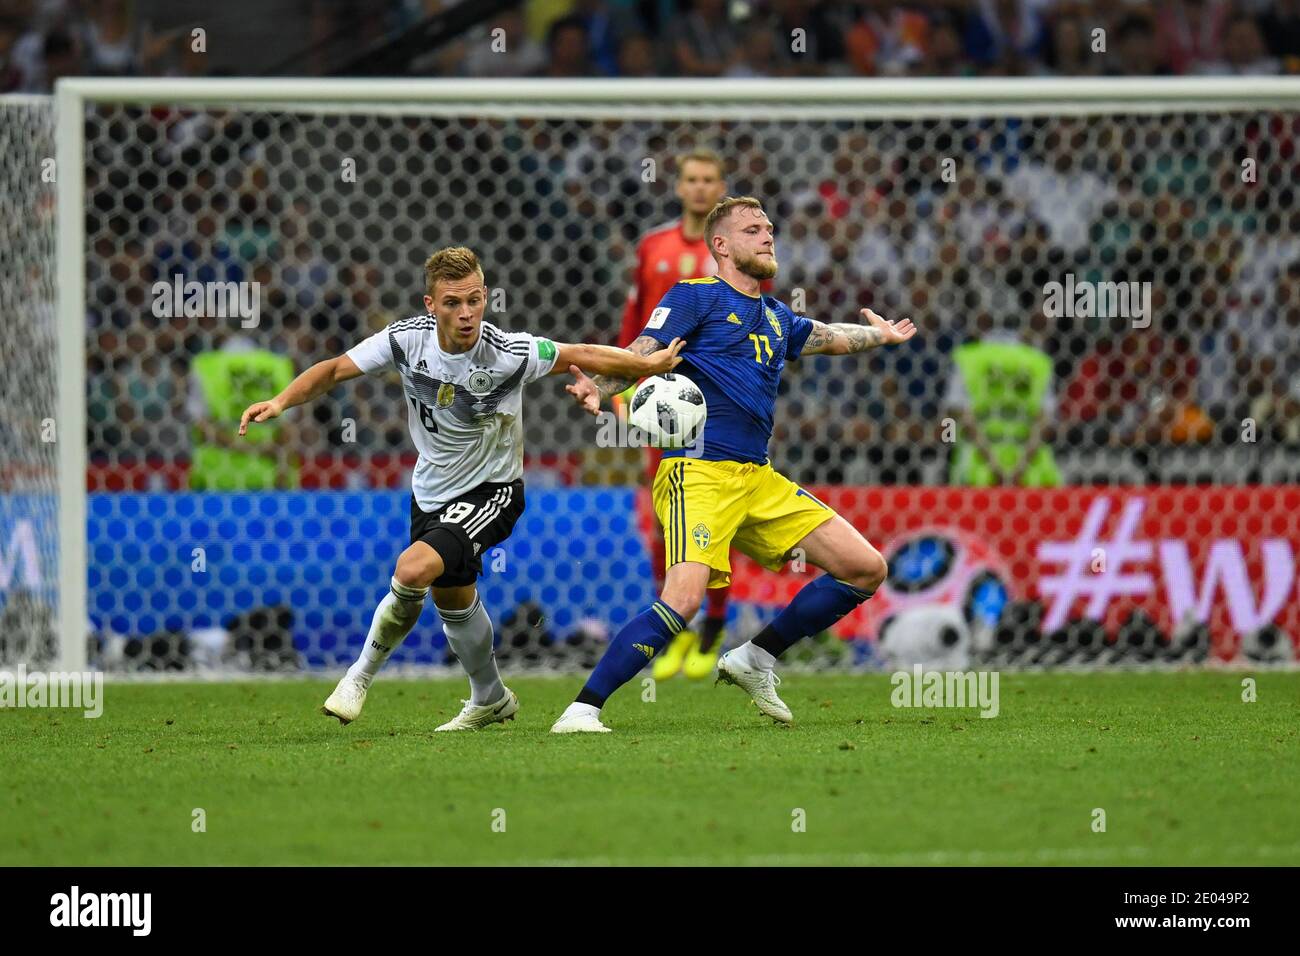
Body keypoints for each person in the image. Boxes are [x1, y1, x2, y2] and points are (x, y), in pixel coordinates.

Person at [238, 247, 682, 730]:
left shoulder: (510, 353)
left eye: (474, 300)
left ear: (486, 295)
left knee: (413, 569)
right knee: (454, 599)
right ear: (430, 305)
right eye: (453, 303)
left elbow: (582, 353)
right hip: (430, 493)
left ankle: (358, 678)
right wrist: (281, 401)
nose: (467, 313)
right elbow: (334, 369)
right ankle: (490, 696)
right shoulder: (404, 342)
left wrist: (648, 367)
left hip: (494, 491)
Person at [551, 197, 917, 733]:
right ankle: (582, 710)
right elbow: (644, 350)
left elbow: (827, 337)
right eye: (752, 229)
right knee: (683, 601)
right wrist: (598, 384)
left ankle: (755, 658)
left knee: (865, 568)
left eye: (769, 227)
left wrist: (879, 336)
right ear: (721, 245)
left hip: (756, 476)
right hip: (697, 471)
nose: (768, 236)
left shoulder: (776, 315)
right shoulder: (695, 298)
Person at [617, 148, 731, 682]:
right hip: (660, 401)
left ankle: (714, 624)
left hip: (719, 398)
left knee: (719, 512)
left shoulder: (734, 248)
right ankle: (674, 627)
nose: (701, 188)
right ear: (680, 187)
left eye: (710, 180)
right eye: (693, 179)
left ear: (721, 187)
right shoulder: (653, 246)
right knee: (669, 512)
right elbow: (635, 319)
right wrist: (620, 381)